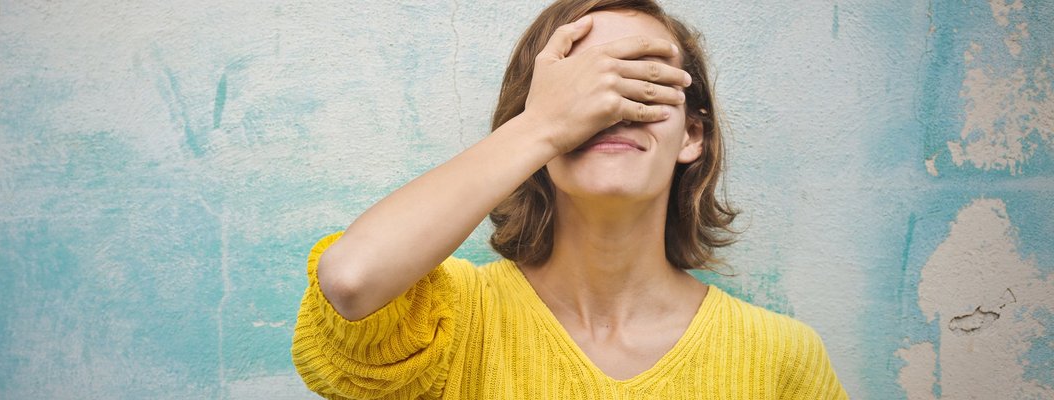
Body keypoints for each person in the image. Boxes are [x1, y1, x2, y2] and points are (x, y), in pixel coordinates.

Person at [291, 0, 848, 398]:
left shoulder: (780, 357)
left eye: (644, 81)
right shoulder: (449, 319)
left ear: (693, 135)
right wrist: (543, 128)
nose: (613, 106)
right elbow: (351, 280)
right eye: (583, 85)